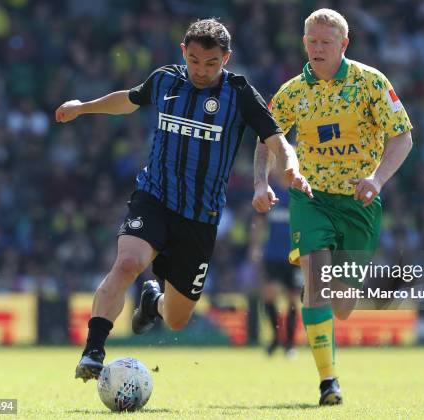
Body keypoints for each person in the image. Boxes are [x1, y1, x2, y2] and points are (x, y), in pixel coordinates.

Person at [55, 18, 312, 382]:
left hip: (199, 216)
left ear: (226, 58)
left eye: (211, 63)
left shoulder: (239, 94)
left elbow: (277, 140)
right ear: (183, 53)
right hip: (154, 196)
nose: (201, 71)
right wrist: (83, 107)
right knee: (129, 261)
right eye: (193, 61)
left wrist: (289, 169)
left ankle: (152, 302)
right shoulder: (165, 79)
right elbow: (128, 101)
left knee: (176, 318)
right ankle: (93, 351)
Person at [252, 9, 413, 405]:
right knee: (318, 284)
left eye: (326, 42)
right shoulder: (291, 92)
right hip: (311, 197)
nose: (318, 48)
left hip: (359, 203)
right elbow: (266, 140)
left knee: (342, 307)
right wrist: (261, 181)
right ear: (303, 42)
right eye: (312, 41)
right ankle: (329, 382)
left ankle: (333, 289)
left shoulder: (371, 83)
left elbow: (403, 138)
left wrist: (376, 179)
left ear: (344, 44)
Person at [249, 170, 301, 358]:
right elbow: (259, 221)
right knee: (269, 296)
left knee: (293, 299)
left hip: (294, 256)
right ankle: (275, 338)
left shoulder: (300, 194)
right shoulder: (271, 192)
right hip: (272, 254)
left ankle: (290, 344)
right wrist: (255, 247)